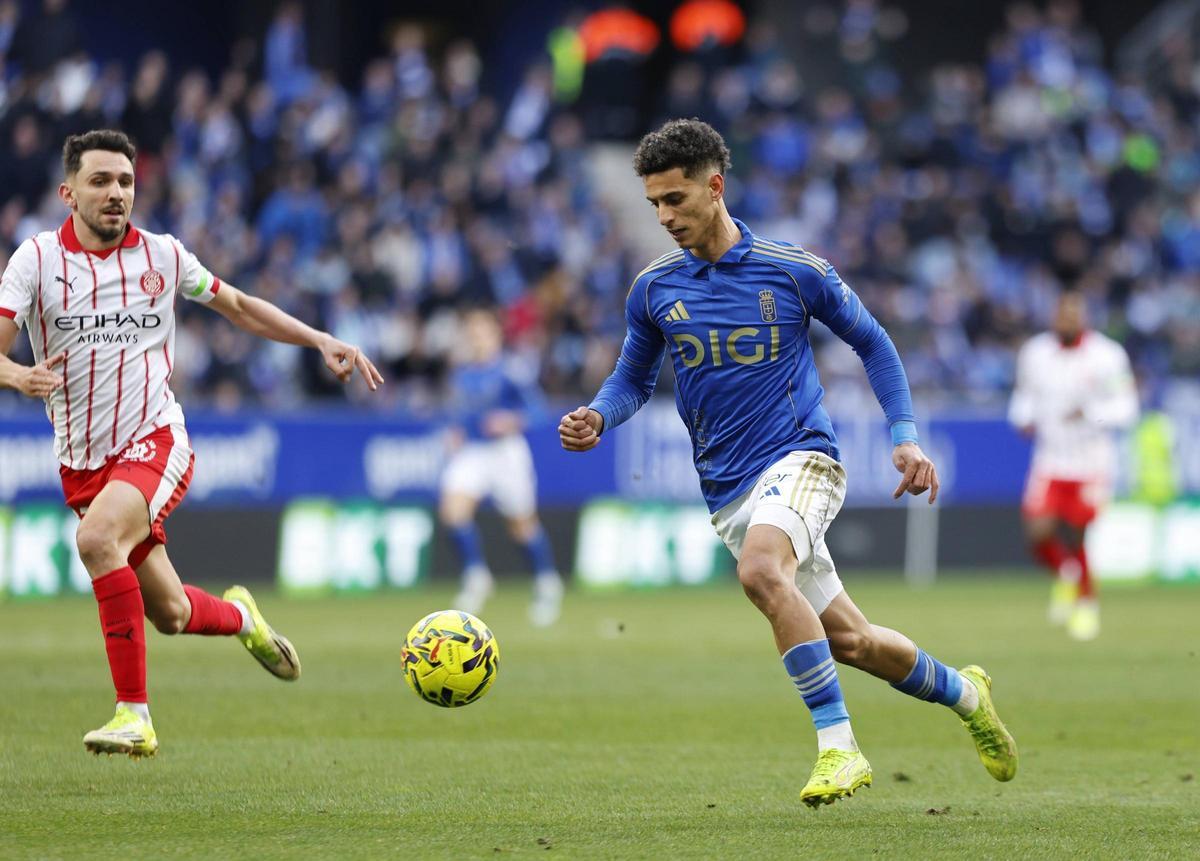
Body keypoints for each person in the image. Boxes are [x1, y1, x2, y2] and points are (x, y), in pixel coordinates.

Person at [558, 119, 1016, 807]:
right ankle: (965, 692)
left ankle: (839, 748)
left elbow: (874, 341)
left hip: (802, 457)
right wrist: (598, 414)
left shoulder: (793, 269)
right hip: (728, 488)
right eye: (654, 203)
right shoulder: (653, 288)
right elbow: (632, 379)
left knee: (760, 571)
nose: (664, 217)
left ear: (715, 187)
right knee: (853, 642)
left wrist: (905, 435)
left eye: (676, 198)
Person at [0, 130, 384, 757]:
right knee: (172, 614)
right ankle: (242, 619)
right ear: (68, 193)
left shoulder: (164, 256)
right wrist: (18, 376)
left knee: (97, 540)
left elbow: (239, 306)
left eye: (125, 181)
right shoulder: (36, 261)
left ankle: (134, 716)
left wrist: (319, 338)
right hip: (83, 462)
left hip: (155, 438)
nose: (116, 193)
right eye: (100, 181)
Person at [1009, 292, 1138, 640]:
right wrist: (1022, 418)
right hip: (1050, 457)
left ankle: (1086, 605)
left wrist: (1090, 413)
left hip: (1091, 460)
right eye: (1061, 314)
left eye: (1073, 315)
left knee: (1080, 532)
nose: (1066, 320)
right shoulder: (1035, 353)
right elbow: (1024, 395)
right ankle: (1067, 573)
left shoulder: (1107, 356)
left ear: (1084, 317)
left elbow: (1127, 408)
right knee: (1038, 531)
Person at [441, 307, 564, 626]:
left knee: (521, 527)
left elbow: (538, 410)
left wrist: (511, 420)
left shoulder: (511, 370)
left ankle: (546, 583)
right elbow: (461, 413)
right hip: (473, 451)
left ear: (495, 334)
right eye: (472, 333)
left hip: (506, 452)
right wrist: (455, 432)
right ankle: (476, 576)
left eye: (481, 332)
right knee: (453, 511)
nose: (476, 339)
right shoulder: (462, 373)